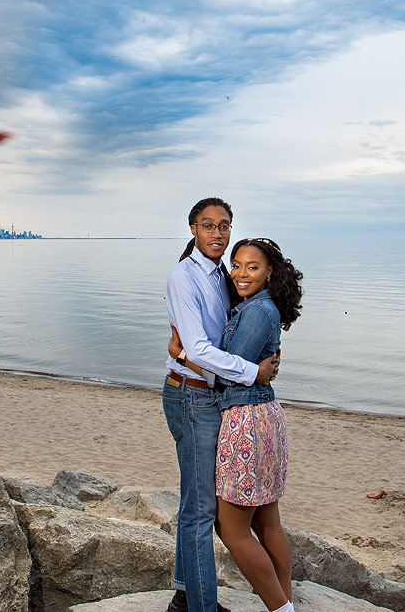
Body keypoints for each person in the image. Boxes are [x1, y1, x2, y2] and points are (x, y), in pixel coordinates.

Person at [163, 198, 279, 612]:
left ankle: (185, 595)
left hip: (205, 393)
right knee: (200, 509)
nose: (218, 233)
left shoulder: (220, 275)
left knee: (194, 500)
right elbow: (197, 347)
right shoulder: (184, 276)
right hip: (192, 394)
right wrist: (253, 372)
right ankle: (202, 608)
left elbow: (227, 332)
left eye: (224, 225)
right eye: (208, 225)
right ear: (193, 228)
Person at [211, 237, 302, 612]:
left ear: (269, 272)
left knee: (231, 529)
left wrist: (183, 354)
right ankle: (285, 601)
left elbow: (231, 370)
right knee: (267, 522)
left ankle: (281, 609)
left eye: (252, 267)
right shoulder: (260, 307)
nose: (241, 274)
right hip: (263, 418)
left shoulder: (256, 312)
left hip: (245, 421)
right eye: (236, 265)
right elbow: (249, 368)